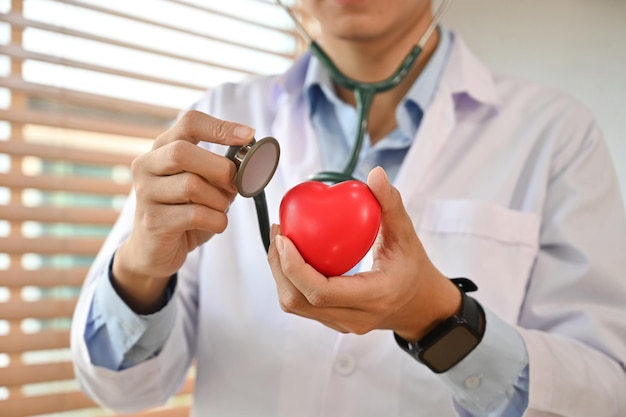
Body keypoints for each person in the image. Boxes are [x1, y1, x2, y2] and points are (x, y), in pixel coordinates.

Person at [70, 0, 626, 416]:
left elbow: (604, 392)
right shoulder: (216, 120)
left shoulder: (555, 135)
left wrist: (435, 317)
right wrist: (141, 268)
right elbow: (125, 386)